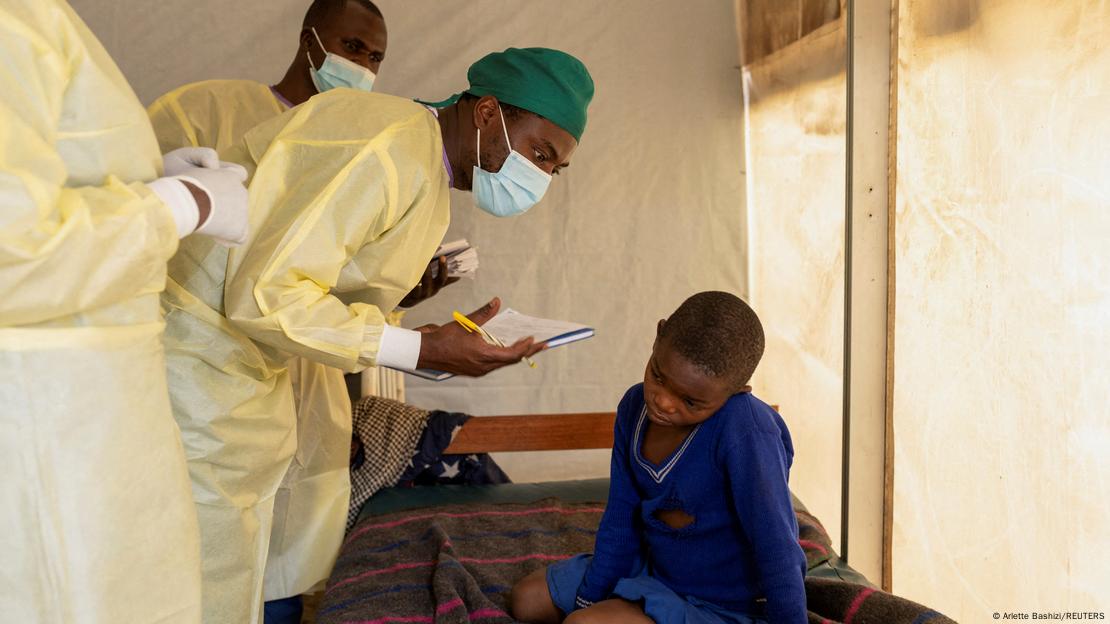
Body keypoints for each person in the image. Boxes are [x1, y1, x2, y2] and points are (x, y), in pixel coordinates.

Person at [153, 46, 594, 623]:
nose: (541, 178)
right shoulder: (388, 145)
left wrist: (427, 335)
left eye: (554, 168)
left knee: (231, 566)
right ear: (487, 112)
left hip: (237, 369)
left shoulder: (426, 174)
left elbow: (322, 287)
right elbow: (266, 293)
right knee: (186, 577)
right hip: (192, 362)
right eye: (539, 154)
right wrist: (418, 349)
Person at [146, 3, 403, 619]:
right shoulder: (207, 109)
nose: (363, 64)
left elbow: (333, 280)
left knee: (284, 552)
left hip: (303, 380)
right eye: (353, 46)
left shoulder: (355, 146)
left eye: (375, 58)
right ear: (310, 36)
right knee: (194, 550)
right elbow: (136, 217)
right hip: (198, 377)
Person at [0, 1, 250, 622]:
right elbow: (10, 251)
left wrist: (145, 178)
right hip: (48, 426)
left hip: (89, 414)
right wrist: (176, 204)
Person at [509, 291, 808, 624]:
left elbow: (777, 545)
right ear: (658, 336)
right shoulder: (633, 406)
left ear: (737, 391)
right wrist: (590, 595)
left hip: (722, 603)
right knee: (526, 601)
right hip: (654, 568)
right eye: (659, 376)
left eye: (691, 402)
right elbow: (621, 515)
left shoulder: (746, 432)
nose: (664, 402)